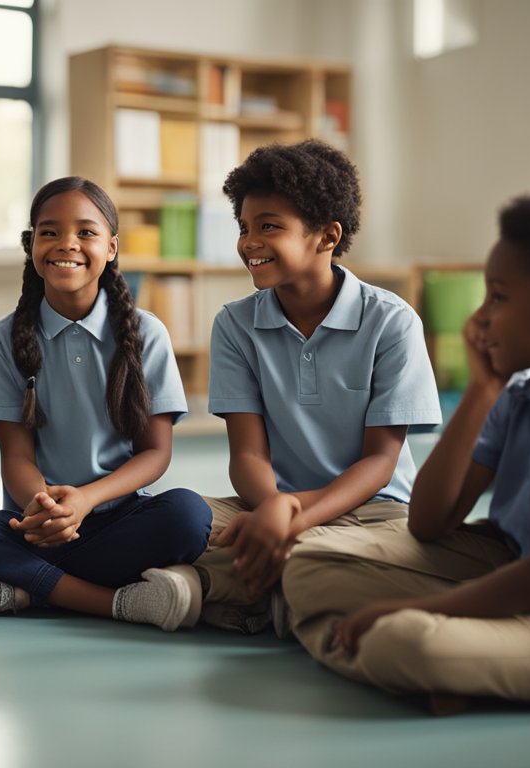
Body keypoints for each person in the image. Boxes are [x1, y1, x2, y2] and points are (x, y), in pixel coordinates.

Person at [282, 194, 530, 713]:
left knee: (406, 639)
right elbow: (430, 521)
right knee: (308, 564)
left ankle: (441, 660)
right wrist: (482, 390)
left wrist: (408, 609)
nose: (480, 320)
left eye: (498, 298)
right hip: (506, 567)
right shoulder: (522, 393)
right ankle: (464, 666)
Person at [0, 176, 213, 632]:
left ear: (112, 247)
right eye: (49, 232)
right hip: (33, 524)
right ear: (32, 245)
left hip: (115, 518)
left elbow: (155, 453)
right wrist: (44, 508)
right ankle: (105, 601)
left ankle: (13, 589)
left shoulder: (147, 334)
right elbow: (17, 457)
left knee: (188, 515)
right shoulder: (5, 337)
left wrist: (85, 500)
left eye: (86, 232)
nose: (67, 244)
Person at [191, 139, 441, 636]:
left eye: (269, 227)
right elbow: (247, 456)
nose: (249, 242)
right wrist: (272, 512)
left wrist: (294, 522)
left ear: (327, 237)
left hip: (375, 512)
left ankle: (231, 594)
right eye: (244, 227)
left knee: (400, 555)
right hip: (269, 503)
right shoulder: (235, 326)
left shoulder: (392, 323)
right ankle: (292, 593)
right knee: (176, 520)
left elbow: (379, 464)